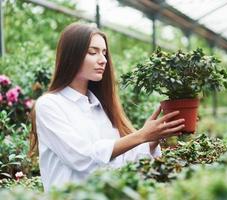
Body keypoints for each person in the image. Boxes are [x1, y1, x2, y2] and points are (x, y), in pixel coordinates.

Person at [29, 22, 185, 192]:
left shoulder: (98, 106)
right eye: (92, 52)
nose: (103, 60)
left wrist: (152, 139)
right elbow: (81, 158)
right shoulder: (50, 105)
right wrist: (141, 135)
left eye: (104, 53)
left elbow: (119, 162)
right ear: (71, 56)